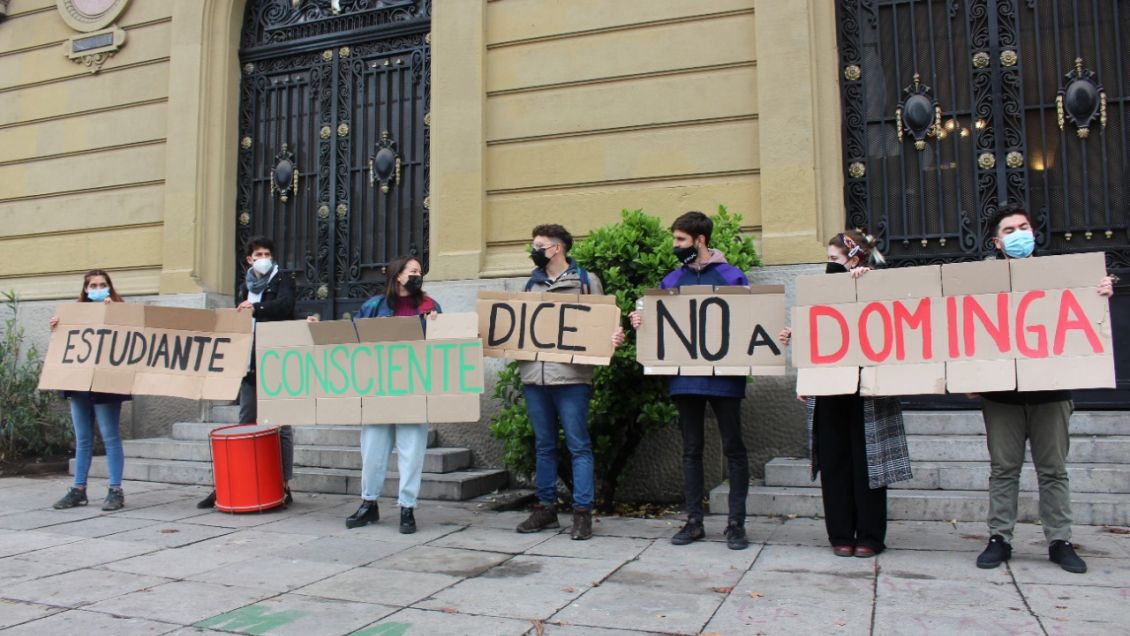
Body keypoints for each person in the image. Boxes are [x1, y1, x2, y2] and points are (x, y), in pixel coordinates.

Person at [973, 204, 1115, 574]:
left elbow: (1085, 313)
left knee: (1053, 469)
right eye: (1009, 230)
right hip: (1002, 394)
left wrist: (1100, 290)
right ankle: (999, 538)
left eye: (1023, 227)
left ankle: (1060, 540)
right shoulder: (979, 282)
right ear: (997, 241)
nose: (1018, 234)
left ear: (1033, 234)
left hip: (1052, 392)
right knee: (1004, 469)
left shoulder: (1062, 276)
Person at [777, 230, 912, 558]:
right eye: (828, 259)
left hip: (869, 392)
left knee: (867, 463)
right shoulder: (820, 293)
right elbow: (819, 332)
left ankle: (870, 535)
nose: (829, 265)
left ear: (855, 259)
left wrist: (865, 284)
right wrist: (797, 339)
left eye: (835, 259)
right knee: (835, 462)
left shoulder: (879, 287)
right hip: (829, 390)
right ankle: (840, 533)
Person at [629, 211, 753, 550]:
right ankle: (694, 521)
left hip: (725, 377)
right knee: (691, 449)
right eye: (675, 239)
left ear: (700, 240)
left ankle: (736, 524)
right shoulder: (671, 282)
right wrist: (641, 320)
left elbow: (752, 322)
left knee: (734, 448)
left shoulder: (733, 277)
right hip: (685, 378)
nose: (675, 246)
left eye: (681, 240)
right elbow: (659, 326)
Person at [515, 224, 625, 540]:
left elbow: (603, 326)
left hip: (572, 377)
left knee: (579, 445)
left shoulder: (587, 282)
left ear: (557, 247)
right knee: (544, 445)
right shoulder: (530, 286)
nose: (534, 250)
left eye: (539, 245)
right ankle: (546, 508)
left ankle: (582, 514)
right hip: (535, 376)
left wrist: (612, 337)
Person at [198, 236, 297, 509]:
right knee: (245, 422)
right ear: (249, 259)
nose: (263, 258)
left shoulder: (282, 280)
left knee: (281, 426)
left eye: (267, 253)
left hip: (275, 360)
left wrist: (256, 308)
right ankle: (234, 483)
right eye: (258, 254)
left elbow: (286, 307)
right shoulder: (245, 286)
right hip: (248, 362)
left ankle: (284, 484)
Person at [342, 255, 438, 534]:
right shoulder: (374, 306)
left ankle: (407, 507)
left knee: (412, 451)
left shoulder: (431, 307)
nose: (417, 275)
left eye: (420, 271)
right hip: (379, 389)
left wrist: (437, 325)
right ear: (398, 275)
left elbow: (445, 347)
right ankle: (368, 503)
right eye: (413, 270)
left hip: (415, 388)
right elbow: (353, 337)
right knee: (372, 450)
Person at [49, 270, 130, 511]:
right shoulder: (74, 314)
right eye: (93, 285)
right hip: (79, 382)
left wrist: (113, 311)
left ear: (110, 287)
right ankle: (78, 489)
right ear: (85, 289)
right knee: (83, 438)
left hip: (106, 383)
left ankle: (115, 490)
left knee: (110, 436)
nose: (97, 288)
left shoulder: (120, 310)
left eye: (102, 284)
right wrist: (56, 328)